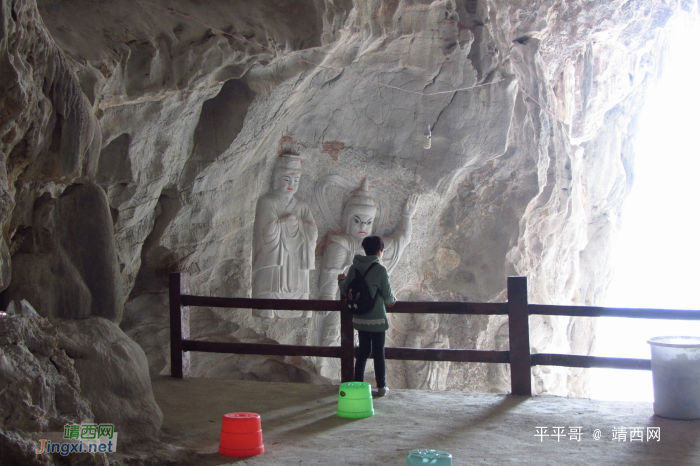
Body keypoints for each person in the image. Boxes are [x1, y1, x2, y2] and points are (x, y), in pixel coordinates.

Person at [251, 154, 318, 318]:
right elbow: (266, 232)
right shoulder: (267, 202)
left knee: (300, 291)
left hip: (297, 262)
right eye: (287, 179)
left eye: (295, 180)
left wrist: (298, 224)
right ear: (276, 179)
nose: (291, 184)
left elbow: (313, 232)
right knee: (270, 291)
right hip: (276, 261)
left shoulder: (302, 207)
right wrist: (284, 223)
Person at [338, 235, 396, 396]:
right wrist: (392, 301)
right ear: (379, 251)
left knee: (363, 350)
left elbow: (345, 289)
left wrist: (340, 281)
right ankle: (381, 386)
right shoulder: (380, 270)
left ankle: (358, 382)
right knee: (378, 352)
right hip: (376, 318)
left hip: (360, 317)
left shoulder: (354, 268)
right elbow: (388, 296)